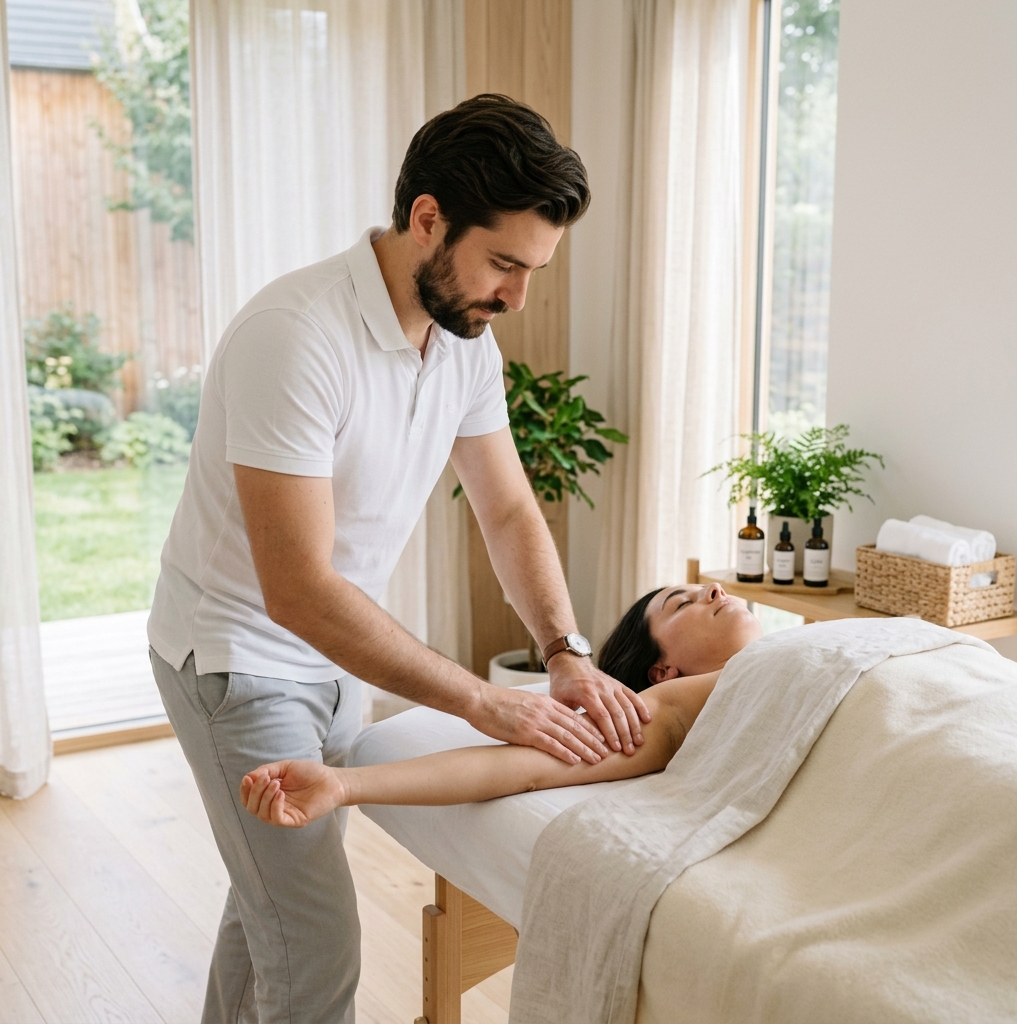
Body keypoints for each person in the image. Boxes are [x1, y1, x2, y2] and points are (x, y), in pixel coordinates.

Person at [147, 93, 651, 1024]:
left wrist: (565, 649)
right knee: (316, 943)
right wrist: (480, 699)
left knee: (266, 912)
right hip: (239, 658)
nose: (517, 297)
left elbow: (505, 507)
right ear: (428, 219)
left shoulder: (464, 341)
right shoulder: (294, 337)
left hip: (337, 658)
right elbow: (294, 588)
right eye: (504, 262)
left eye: (535, 269)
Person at [239, 582, 764, 824]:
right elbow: (526, 767)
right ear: (661, 673)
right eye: (684, 601)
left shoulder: (810, 647)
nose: (714, 590)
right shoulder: (670, 705)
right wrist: (347, 784)